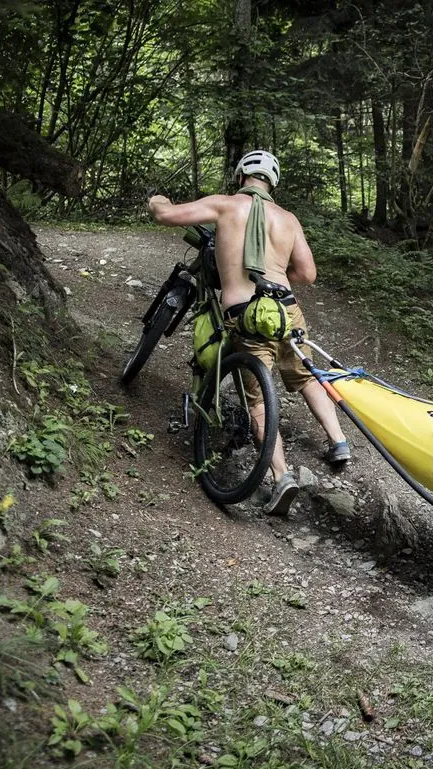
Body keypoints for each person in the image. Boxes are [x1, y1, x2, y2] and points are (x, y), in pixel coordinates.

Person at [147, 149, 350, 515]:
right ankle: (338, 441)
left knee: (257, 400)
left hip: (246, 314)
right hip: (286, 309)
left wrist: (156, 199)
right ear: (273, 183)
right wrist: (275, 268)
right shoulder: (288, 219)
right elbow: (307, 274)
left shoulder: (226, 205)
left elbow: (166, 215)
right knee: (304, 376)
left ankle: (282, 476)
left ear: (241, 176)